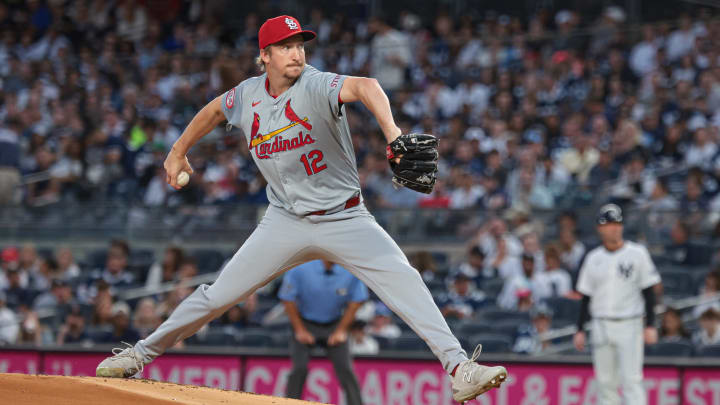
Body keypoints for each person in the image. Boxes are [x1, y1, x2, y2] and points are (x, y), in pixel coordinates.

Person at [95, 15, 507, 404]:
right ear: (265, 56)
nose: (297, 53)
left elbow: (366, 86)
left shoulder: (316, 84)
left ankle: (459, 368)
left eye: (300, 45)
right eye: (285, 46)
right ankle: (139, 354)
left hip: (345, 217)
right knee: (217, 295)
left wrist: (393, 133)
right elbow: (215, 110)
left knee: (406, 281)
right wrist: (177, 151)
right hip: (284, 221)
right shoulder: (248, 95)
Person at [573, 204, 661, 405]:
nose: (614, 228)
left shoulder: (637, 253)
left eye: (617, 223)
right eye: (609, 224)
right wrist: (579, 329)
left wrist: (650, 325)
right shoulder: (593, 258)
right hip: (600, 324)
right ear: (600, 228)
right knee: (605, 383)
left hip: (629, 323)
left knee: (631, 380)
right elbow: (586, 296)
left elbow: (649, 292)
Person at [279, 260, 366, 404]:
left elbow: (356, 301)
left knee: (346, 369)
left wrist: (341, 330)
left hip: (335, 323)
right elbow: (287, 298)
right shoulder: (301, 268)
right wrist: (300, 330)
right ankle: (290, 402)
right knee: (299, 368)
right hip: (305, 322)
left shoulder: (350, 271)